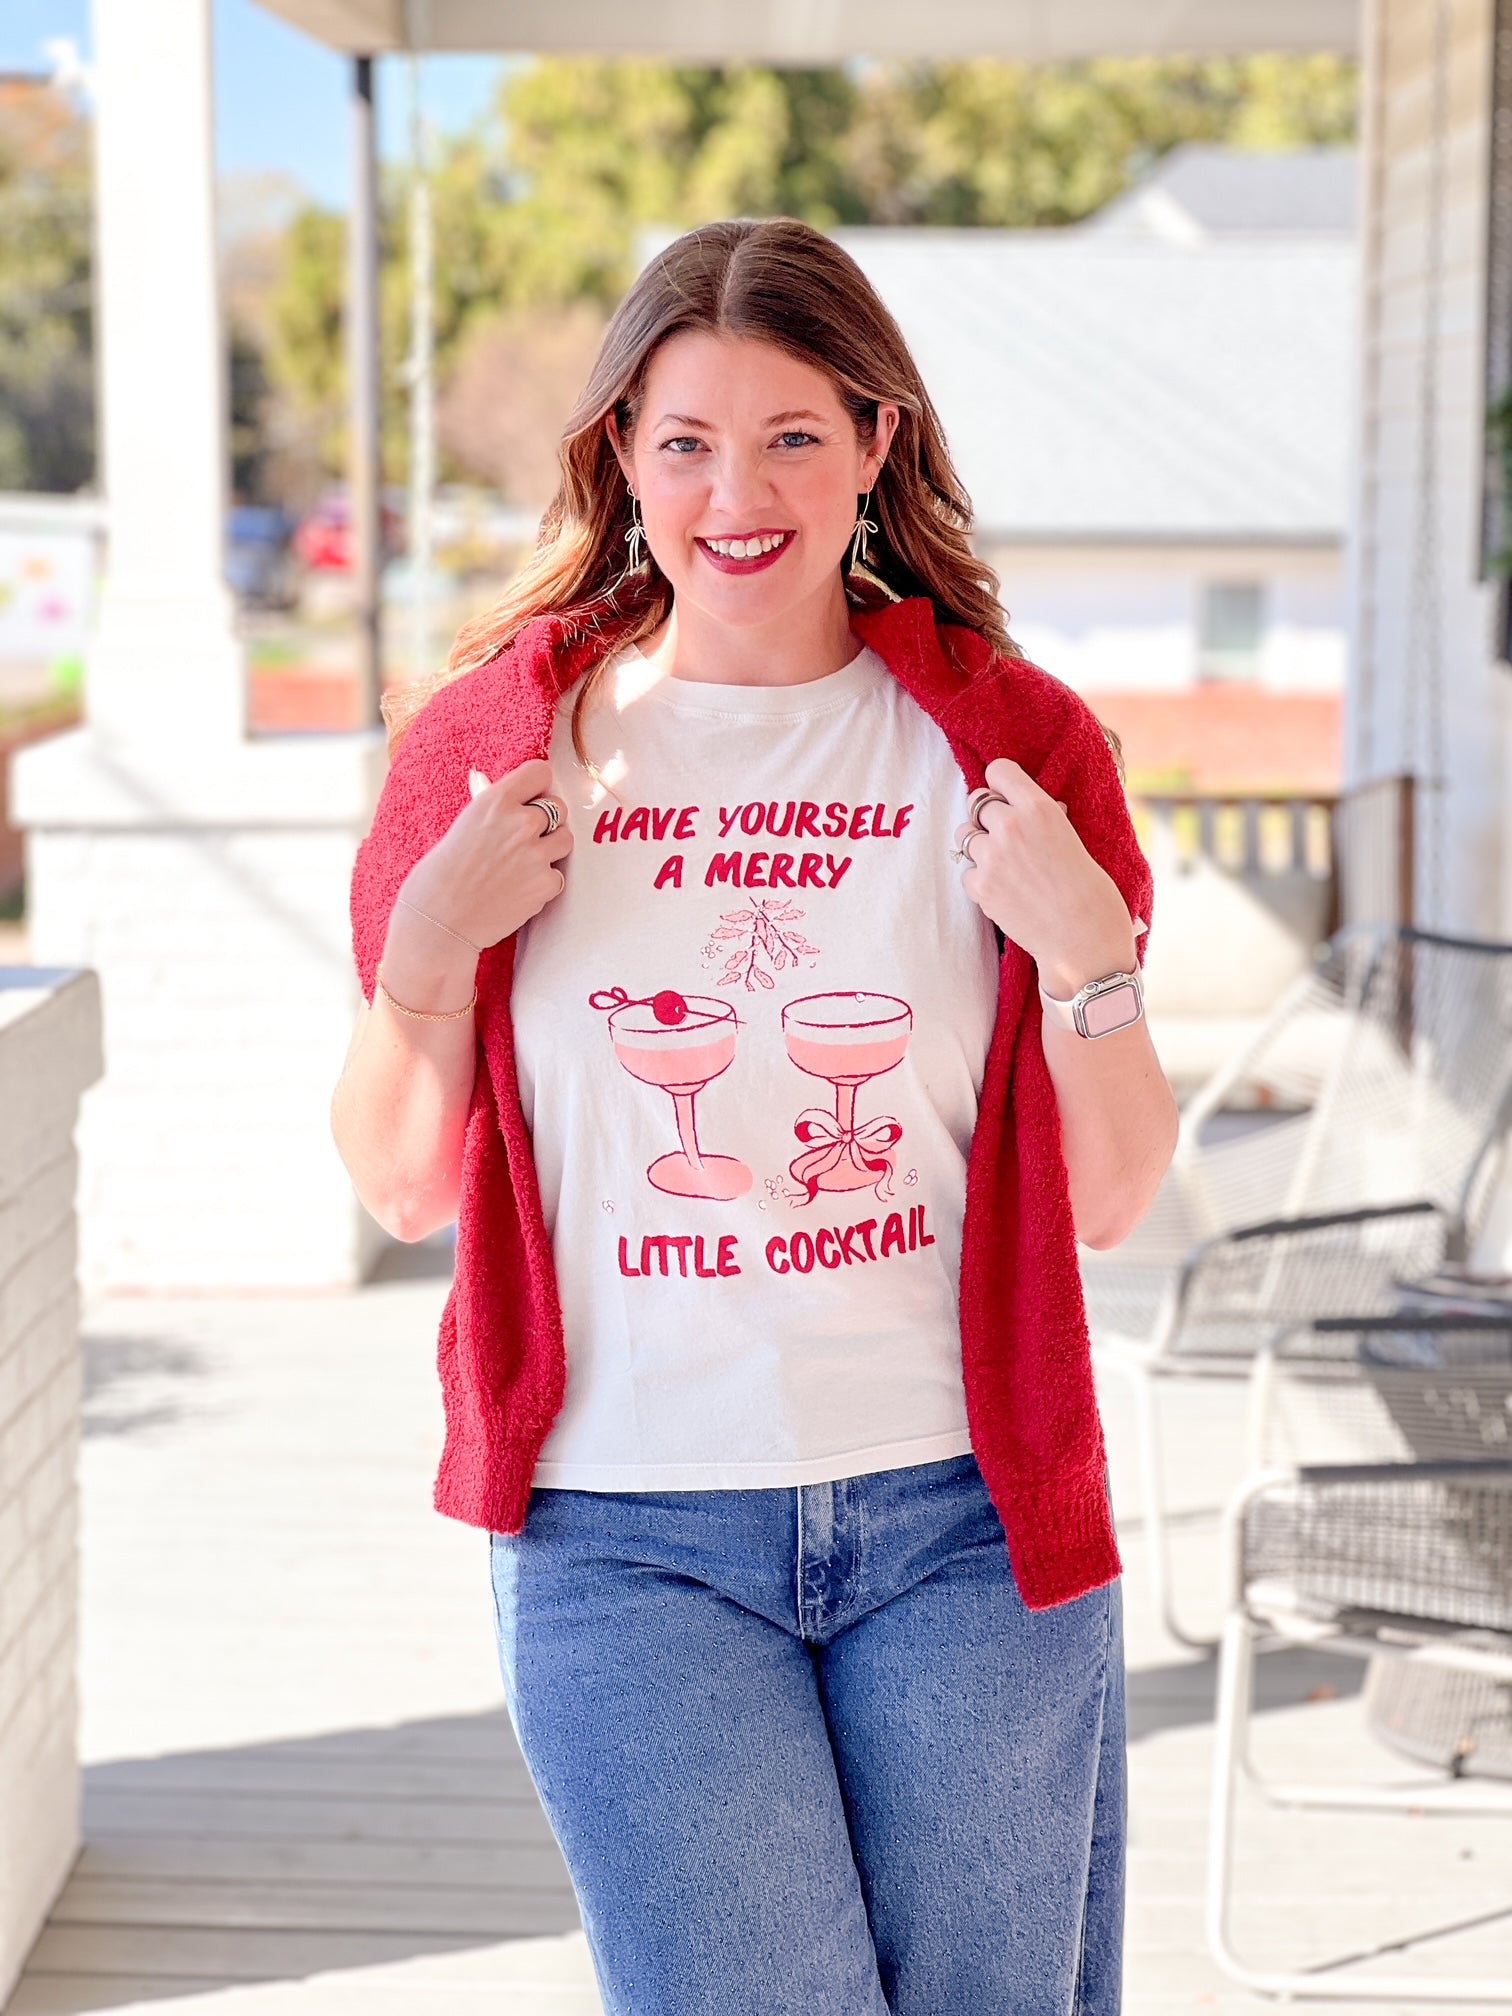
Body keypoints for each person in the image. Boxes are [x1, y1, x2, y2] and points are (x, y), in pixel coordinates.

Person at [332, 216, 1178, 2016]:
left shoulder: (1012, 747)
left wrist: (1091, 953)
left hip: (963, 1521)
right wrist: (425, 954)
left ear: (877, 445)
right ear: (620, 453)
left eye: (795, 433)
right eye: (689, 437)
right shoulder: (488, 756)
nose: (740, 489)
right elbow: (405, 1184)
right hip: (622, 1534)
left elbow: (1109, 1197)